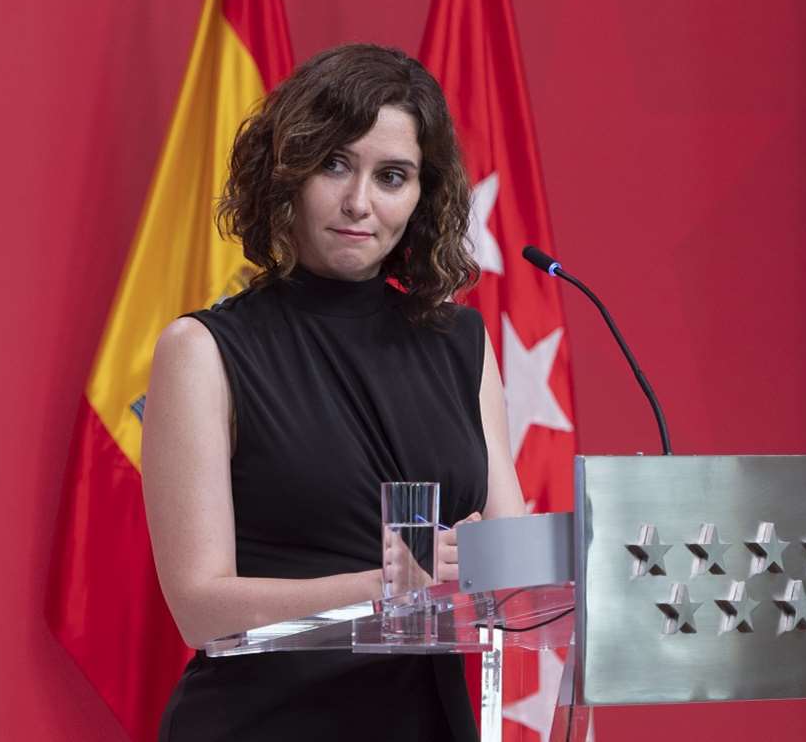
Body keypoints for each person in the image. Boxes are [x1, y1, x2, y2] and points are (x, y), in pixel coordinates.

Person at [141, 43, 527, 742]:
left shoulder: (461, 344)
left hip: (428, 723)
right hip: (261, 725)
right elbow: (200, 608)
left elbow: (514, 571)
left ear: (423, 194)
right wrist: (390, 588)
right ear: (286, 172)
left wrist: (502, 558)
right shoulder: (202, 351)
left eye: (392, 176)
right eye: (335, 164)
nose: (359, 202)